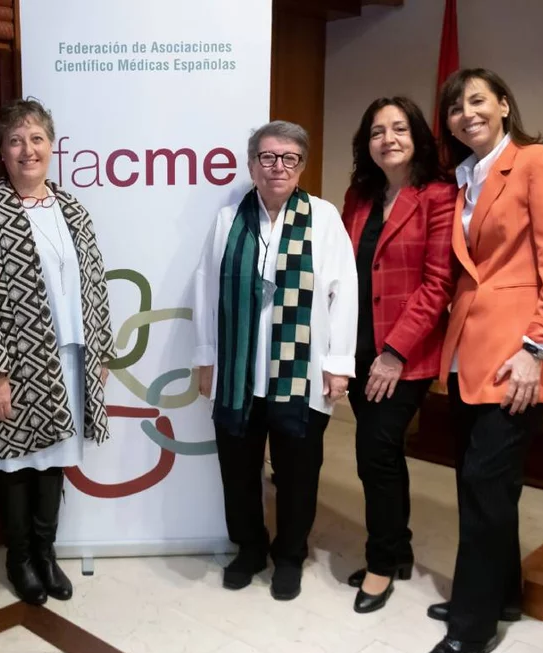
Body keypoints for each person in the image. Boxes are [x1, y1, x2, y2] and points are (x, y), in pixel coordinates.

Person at [419, 68, 543, 653]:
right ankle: (502, 594)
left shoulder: (540, 162)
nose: (467, 114)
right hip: (471, 354)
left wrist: (535, 348)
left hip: (519, 357)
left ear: (505, 105)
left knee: (485, 490)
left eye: (478, 100)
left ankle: (472, 626)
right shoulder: (465, 178)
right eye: (456, 108)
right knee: (483, 487)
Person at [193, 121, 358, 602]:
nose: (277, 167)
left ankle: (289, 555)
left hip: (301, 375)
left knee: (298, 473)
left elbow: (343, 293)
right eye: (267, 157)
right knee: (238, 471)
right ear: (251, 165)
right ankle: (248, 549)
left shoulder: (323, 219)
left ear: (301, 165)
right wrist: (206, 358)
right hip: (239, 373)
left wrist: (338, 364)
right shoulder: (229, 221)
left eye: (288, 158)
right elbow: (205, 290)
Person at [0, 98, 114, 606]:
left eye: (37, 139)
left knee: (53, 463)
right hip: (16, 364)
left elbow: (95, 284)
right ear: (2, 152)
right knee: (17, 464)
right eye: (16, 140)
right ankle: (19, 559)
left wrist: (101, 356)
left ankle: (46, 556)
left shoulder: (71, 207)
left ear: (52, 146)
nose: (28, 150)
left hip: (70, 358)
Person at [341, 97, 456, 614]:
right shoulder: (359, 196)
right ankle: (401, 548)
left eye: (399, 128)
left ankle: (382, 563)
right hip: (359, 348)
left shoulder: (437, 196)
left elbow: (437, 286)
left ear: (418, 137)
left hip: (403, 355)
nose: (388, 138)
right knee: (381, 457)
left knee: (375, 452)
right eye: (377, 131)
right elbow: (343, 272)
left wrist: (392, 355)